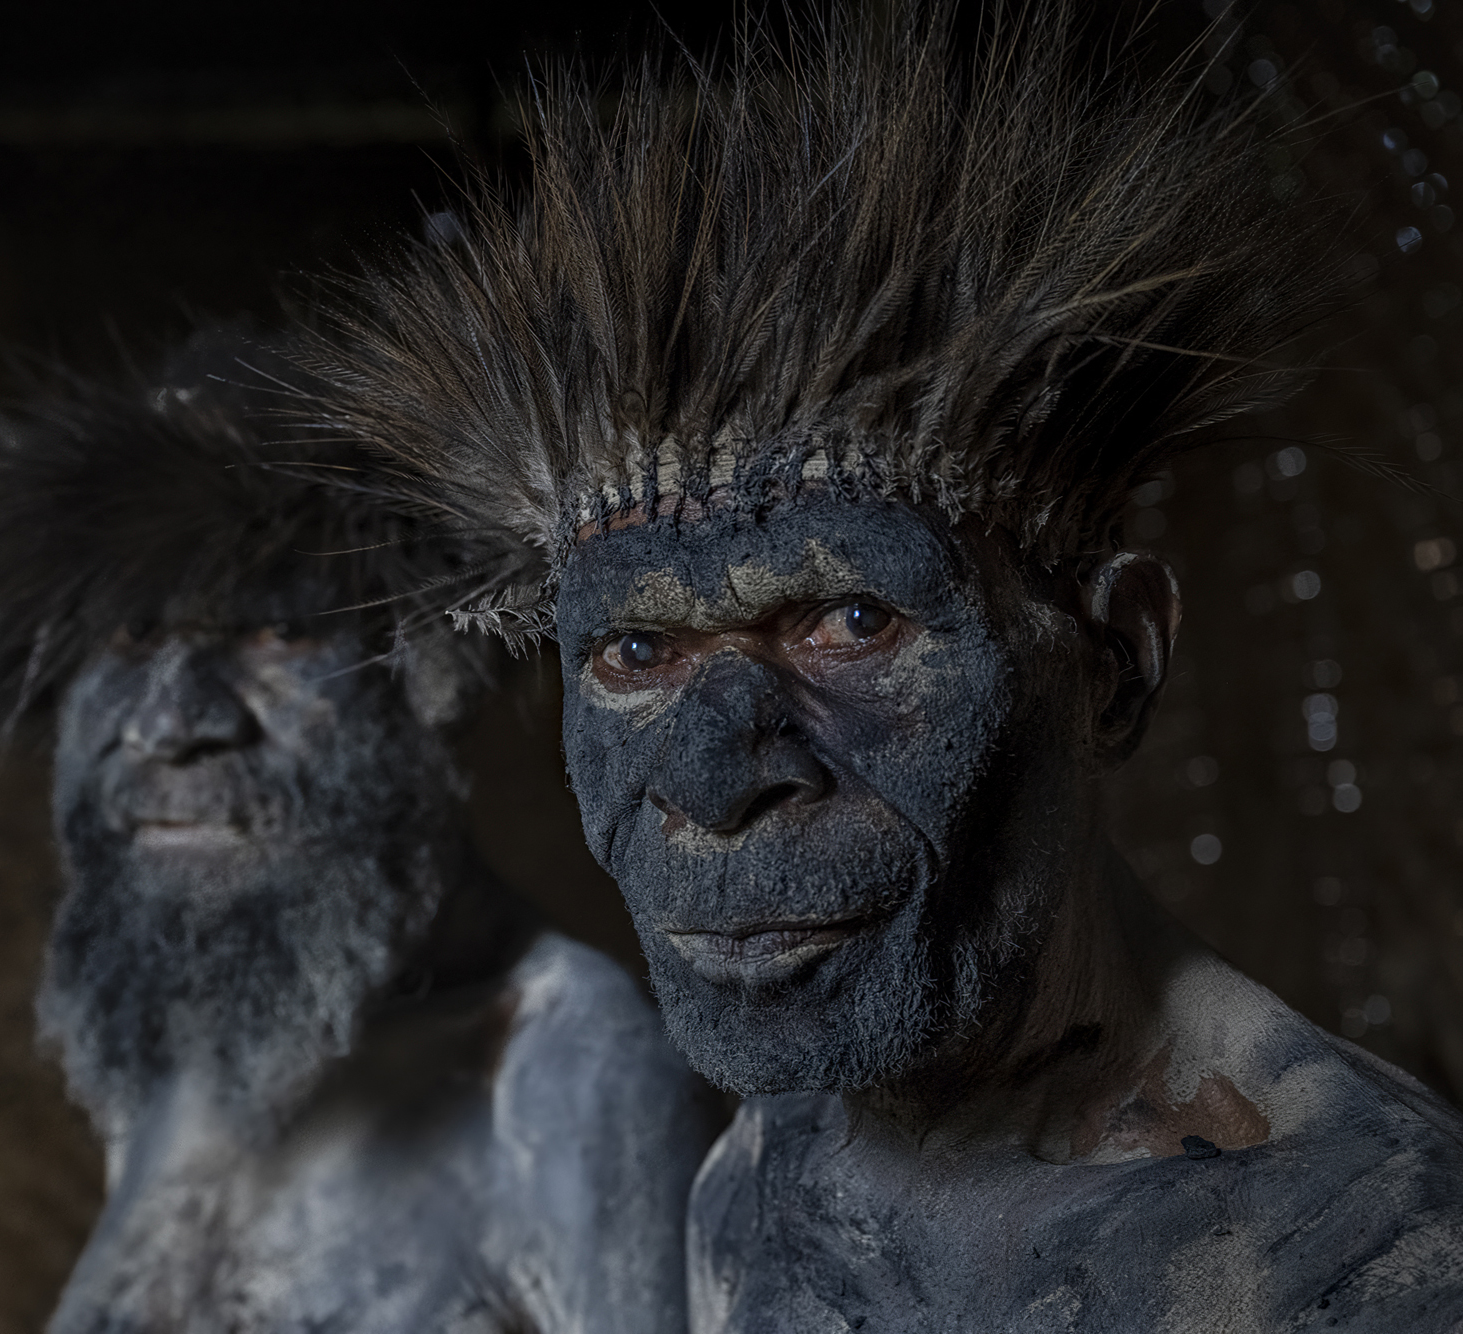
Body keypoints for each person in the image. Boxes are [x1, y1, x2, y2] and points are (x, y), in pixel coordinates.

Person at [299, 7, 1463, 1329]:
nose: (713, 779)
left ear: (1114, 658)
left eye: (848, 622)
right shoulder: (757, 1172)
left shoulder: (1353, 1258)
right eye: (634, 650)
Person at [0, 332, 719, 1334]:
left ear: (428, 675)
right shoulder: (202, 1048)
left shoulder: (562, 1061)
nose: (169, 724)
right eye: (132, 637)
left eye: (275, 633)